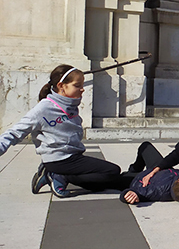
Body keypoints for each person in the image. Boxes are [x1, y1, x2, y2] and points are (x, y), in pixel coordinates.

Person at [0, 64, 130, 198]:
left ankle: (56, 175)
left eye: (82, 85)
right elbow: (14, 132)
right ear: (62, 86)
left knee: (100, 184)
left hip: (73, 157)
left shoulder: (71, 105)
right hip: (59, 160)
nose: (82, 89)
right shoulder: (43, 109)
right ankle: (59, 176)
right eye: (77, 85)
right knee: (112, 171)